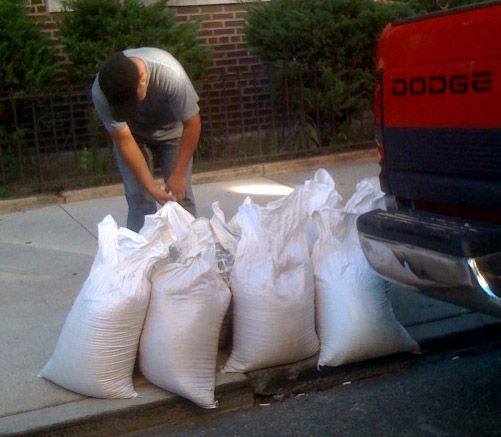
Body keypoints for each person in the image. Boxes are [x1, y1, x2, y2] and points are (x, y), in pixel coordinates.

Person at [92, 47, 200, 232]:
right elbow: (124, 139)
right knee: (138, 198)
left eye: (131, 100)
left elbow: (192, 124)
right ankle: (141, 256)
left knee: (180, 195)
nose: (131, 108)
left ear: (142, 78)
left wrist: (178, 174)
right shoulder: (102, 91)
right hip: (132, 137)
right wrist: (150, 186)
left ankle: (193, 251)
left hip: (172, 134)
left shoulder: (170, 74)